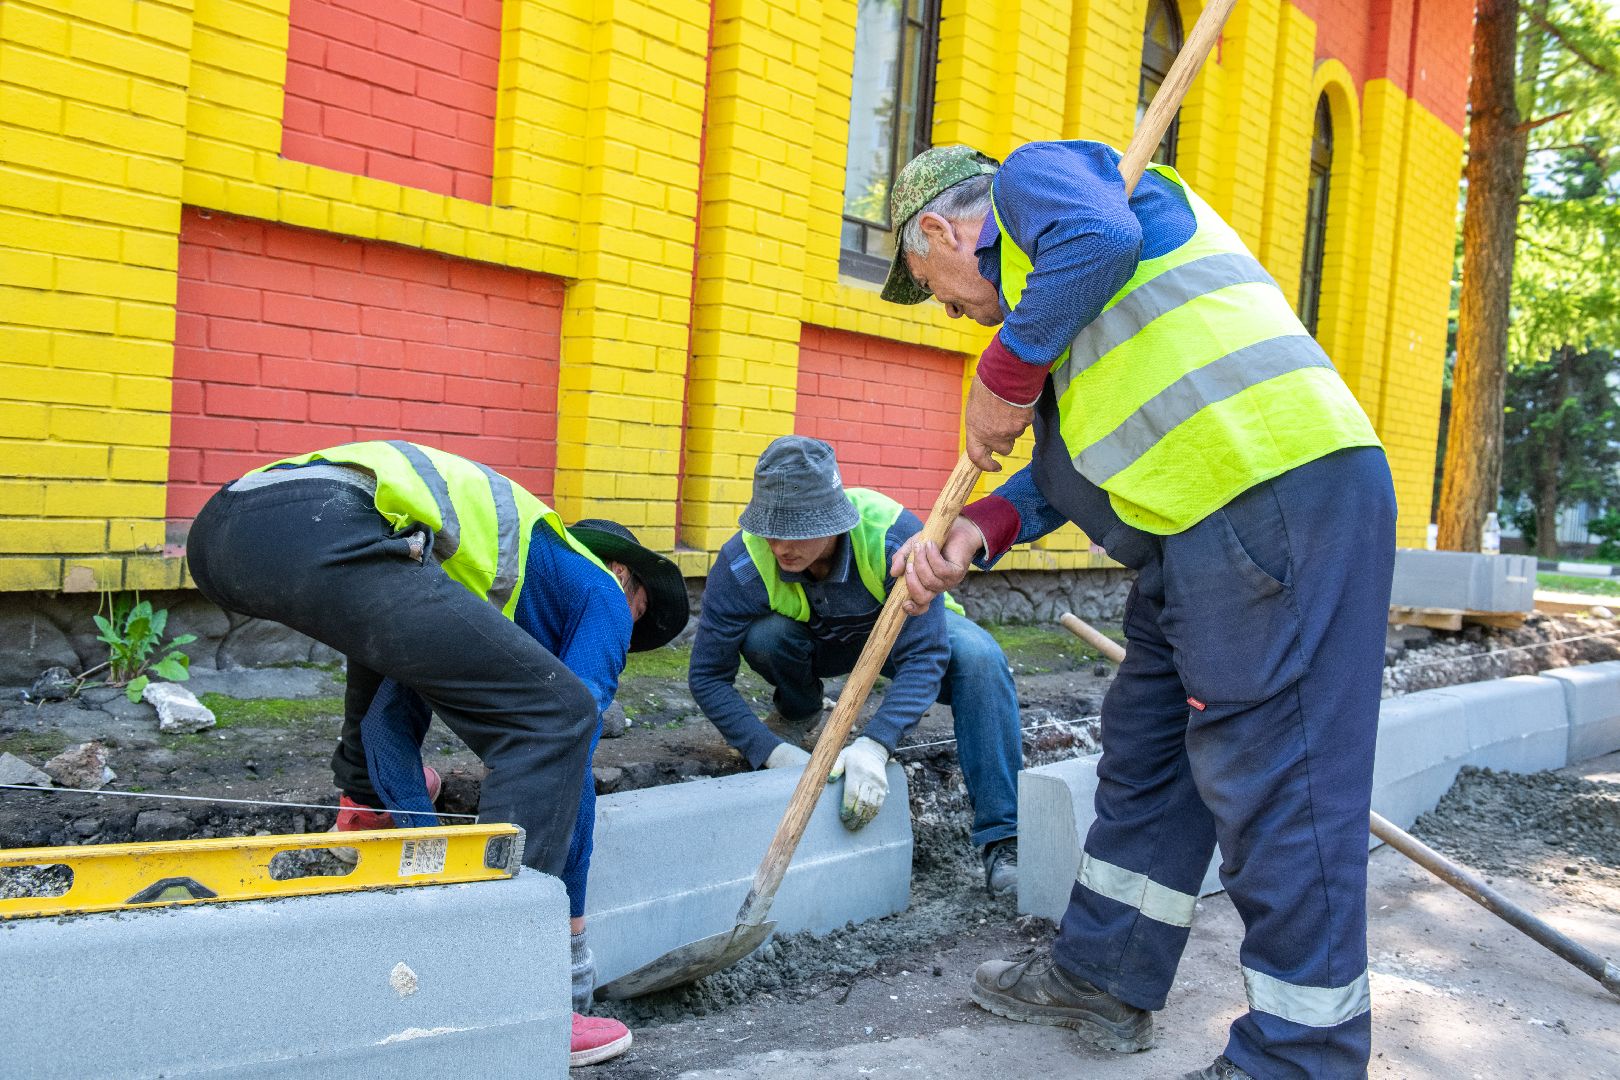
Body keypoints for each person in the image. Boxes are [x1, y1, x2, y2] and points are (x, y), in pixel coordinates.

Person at [879, 142, 1396, 1080]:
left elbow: (1101, 236)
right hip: (1195, 530)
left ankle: (1300, 1059)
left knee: (1282, 784)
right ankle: (1104, 972)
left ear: (942, 230)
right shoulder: (1063, 297)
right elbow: (1072, 458)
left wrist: (1005, 373)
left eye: (935, 286)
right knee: (1150, 757)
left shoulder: (1046, 188)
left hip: (1274, 497)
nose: (952, 311)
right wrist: (980, 529)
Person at [184, 440, 688, 1068]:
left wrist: (413, 832)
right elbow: (568, 739)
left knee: (390, 680)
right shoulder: (604, 592)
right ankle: (510, 1000)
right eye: (642, 614)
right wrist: (570, 932)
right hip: (322, 517)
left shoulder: (479, 577)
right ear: (626, 579)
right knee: (557, 719)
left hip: (222, 530)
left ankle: (361, 818)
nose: (629, 631)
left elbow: (387, 723)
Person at [687, 435, 1023, 893]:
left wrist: (875, 745)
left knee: (981, 659)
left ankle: (1003, 838)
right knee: (765, 636)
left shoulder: (891, 535)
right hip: (815, 642)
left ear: (834, 520)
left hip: (904, 631)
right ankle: (801, 709)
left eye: (798, 529)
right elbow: (706, 677)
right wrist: (768, 751)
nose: (781, 546)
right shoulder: (743, 562)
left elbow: (925, 655)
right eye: (772, 528)